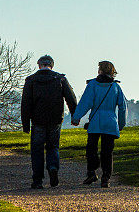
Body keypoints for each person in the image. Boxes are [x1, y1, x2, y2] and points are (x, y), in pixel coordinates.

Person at [21, 55, 77, 189]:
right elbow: (71, 98)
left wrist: (25, 124)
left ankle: (38, 180)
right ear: (52, 65)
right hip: (55, 119)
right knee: (53, 147)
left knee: (37, 150)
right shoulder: (60, 79)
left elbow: (26, 103)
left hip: (37, 120)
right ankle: (53, 168)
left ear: (39, 65)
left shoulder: (31, 80)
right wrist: (75, 116)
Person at [72, 60, 127, 188]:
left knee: (91, 148)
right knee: (107, 152)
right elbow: (123, 107)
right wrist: (121, 124)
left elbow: (85, 103)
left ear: (100, 71)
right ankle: (106, 178)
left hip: (95, 122)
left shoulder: (92, 85)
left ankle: (92, 171)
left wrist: (76, 117)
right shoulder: (116, 87)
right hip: (110, 123)